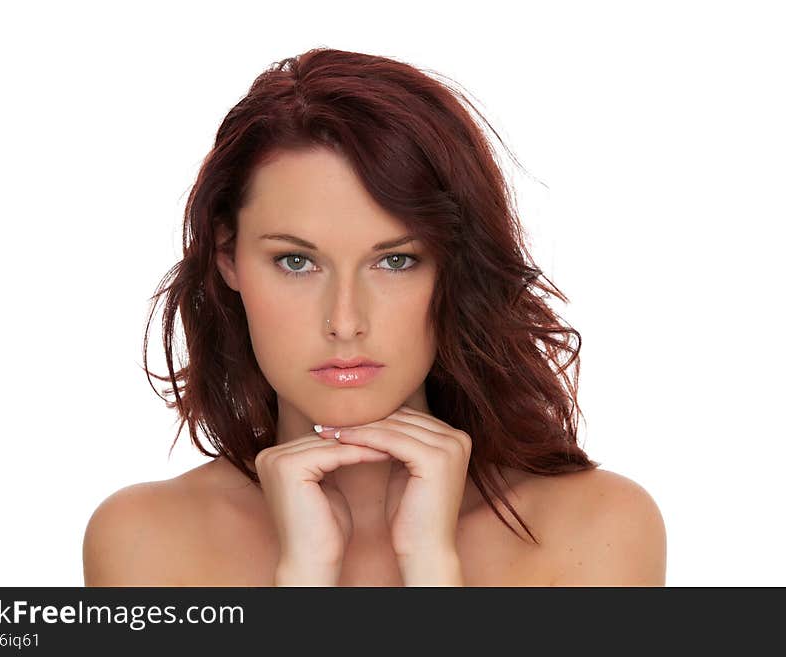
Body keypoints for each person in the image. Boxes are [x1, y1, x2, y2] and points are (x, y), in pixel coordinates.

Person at [82, 47, 666, 587]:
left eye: (395, 260)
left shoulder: (595, 528)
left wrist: (432, 568)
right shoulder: (145, 540)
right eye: (295, 261)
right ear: (228, 257)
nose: (345, 321)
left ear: (455, 267)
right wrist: (304, 578)